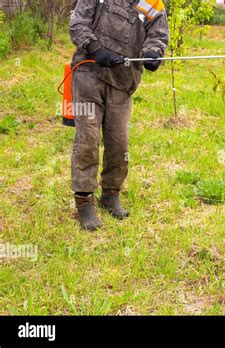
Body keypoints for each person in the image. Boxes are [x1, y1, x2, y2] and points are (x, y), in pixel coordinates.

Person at [69, 0, 169, 230]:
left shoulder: (153, 4)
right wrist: (95, 48)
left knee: (118, 144)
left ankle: (110, 194)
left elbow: (158, 34)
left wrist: (153, 53)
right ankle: (84, 201)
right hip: (88, 74)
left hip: (123, 82)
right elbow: (77, 23)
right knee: (88, 140)